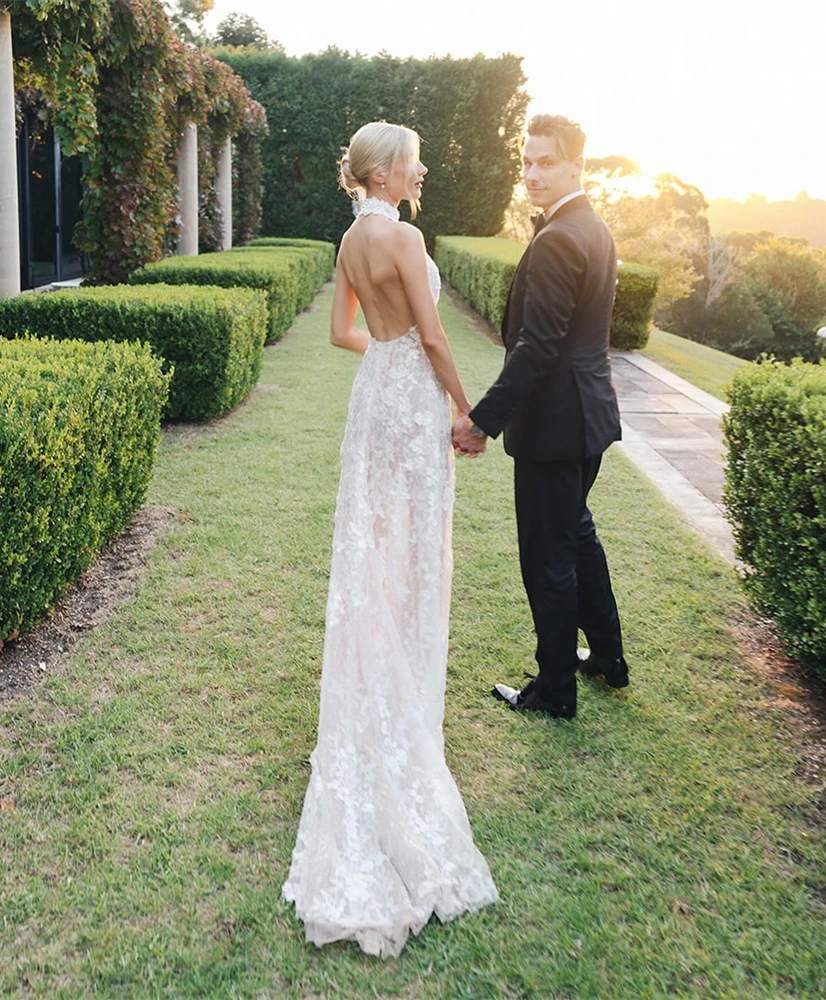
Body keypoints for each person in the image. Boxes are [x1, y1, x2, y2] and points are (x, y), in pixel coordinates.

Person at [281, 121, 498, 958]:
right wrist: (463, 407)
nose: (424, 167)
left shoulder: (349, 241)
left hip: (374, 396)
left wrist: (389, 358)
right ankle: (400, 699)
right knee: (411, 556)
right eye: (413, 159)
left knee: (373, 554)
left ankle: (376, 689)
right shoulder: (403, 235)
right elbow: (436, 335)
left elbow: (345, 333)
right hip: (410, 405)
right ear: (382, 171)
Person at [452, 114, 629, 721]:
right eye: (526, 162)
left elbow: (539, 345)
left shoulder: (559, 238)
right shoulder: (592, 227)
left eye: (546, 162)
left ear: (576, 165)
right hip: (589, 419)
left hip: (555, 428)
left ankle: (555, 689)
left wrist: (482, 419)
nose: (532, 173)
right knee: (577, 537)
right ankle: (607, 656)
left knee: (547, 559)